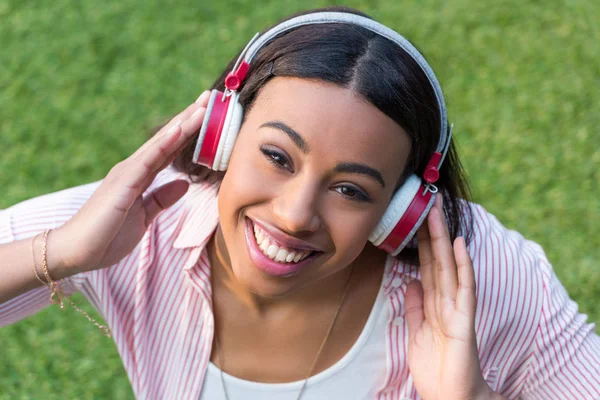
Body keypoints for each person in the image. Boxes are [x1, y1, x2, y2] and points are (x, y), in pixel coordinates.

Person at [1, 6, 599, 400]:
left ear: (401, 212)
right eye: (278, 157)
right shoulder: (146, 223)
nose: (294, 215)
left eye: (351, 190)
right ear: (223, 136)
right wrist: (62, 251)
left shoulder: (481, 274)